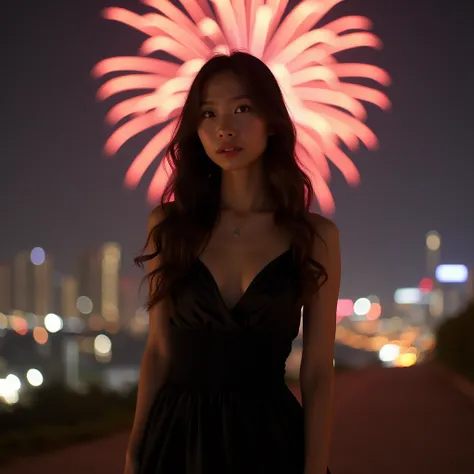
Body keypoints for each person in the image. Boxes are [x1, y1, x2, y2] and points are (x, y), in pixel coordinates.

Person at [124, 51, 340, 474]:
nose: (224, 127)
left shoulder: (315, 237)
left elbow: (316, 370)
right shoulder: (169, 226)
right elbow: (159, 351)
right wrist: (135, 452)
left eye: (242, 108)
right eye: (208, 113)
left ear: (272, 121)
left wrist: (314, 467)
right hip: (178, 442)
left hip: (271, 442)